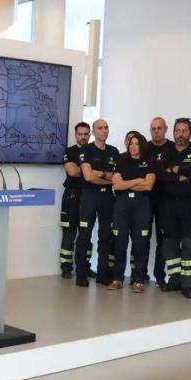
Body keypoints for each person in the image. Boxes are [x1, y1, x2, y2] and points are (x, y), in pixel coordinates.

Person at [156, 118, 191, 298]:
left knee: (189, 245)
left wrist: (173, 170)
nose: (181, 134)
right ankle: (174, 280)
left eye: (185, 131)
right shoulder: (164, 153)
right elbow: (160, 176)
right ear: (173, 132)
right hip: (168, 207)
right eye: (178, 130)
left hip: (190, 207)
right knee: (169, 246)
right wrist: (182, 173)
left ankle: (188, 285)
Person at [76, 118, 119, 287]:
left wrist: (99, 174)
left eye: (106, 127)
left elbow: (116, 177)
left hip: (108, 198)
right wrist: (107, 177)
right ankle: (81, 274)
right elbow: (88, 176)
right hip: (89, 197)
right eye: (100, 128)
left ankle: (102, 274)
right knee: (85, 236)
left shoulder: (114, 151)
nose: (104, 130)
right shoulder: (86, 150)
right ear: (93, 132)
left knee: (106, 236)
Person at [110, 133, 156, 292]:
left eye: (136, 143)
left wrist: (126, 183)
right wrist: (137, 180)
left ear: (141, 145)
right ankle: (117, 278)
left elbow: (148, 186)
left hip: (141, 205)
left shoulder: (149, 162)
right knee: (120, 243)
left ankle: (138, 280)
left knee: (140, 244)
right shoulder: (121, 160)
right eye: (131, 143)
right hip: (122, 205)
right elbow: (116, 185)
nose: (133, 146)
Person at [59, 122, 91, 279]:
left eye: (86, 134)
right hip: (71, 196)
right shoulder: (69, 151)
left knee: (86, 233)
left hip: (88, 196)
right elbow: (72, 172)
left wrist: (88, 172)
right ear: (75, 134)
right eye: (80, 134)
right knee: (69, 233)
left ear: (90, 134)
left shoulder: (93, 150)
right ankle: (66, 266)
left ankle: (85, 266)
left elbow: (88, 173)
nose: (83, 137)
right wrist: (89, 172)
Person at [148, 117, 175, 287]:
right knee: (141, 237)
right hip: (145, 198)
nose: (156, 131)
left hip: (166, 199)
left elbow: (174, 174)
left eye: (159, 128)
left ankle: (160, 276)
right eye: (153, 128)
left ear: (166, 129)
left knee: (163, 239)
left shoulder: (173, 148)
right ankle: (140, 275)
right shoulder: (144, 148)